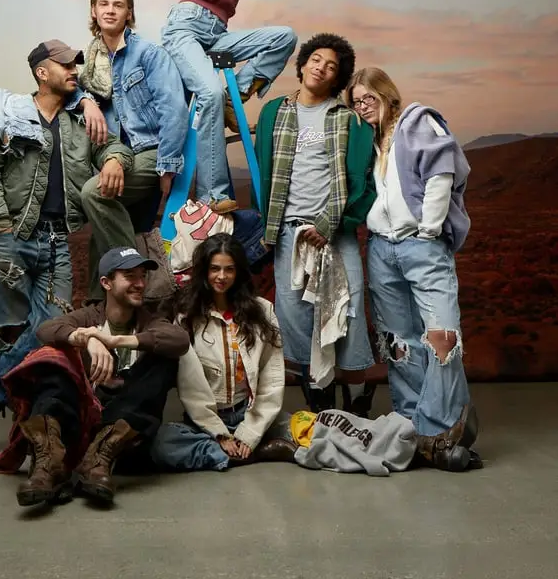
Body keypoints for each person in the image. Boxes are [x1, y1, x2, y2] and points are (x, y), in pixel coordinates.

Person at [0, 40, 138, 456]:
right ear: (42, 72)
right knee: (13, 330)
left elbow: (113, 146)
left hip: (57, 241)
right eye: (65, 65)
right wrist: (0, 224)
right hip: (13, 238)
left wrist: (114, 160)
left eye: (76, 64)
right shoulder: (6, 113)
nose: (74, 70)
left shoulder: (81, 119)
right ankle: (24, 424)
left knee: (54, 330)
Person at [0, 246, 190, 508]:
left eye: (143, 276)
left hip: (123, 431)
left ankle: (99, 460)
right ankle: (48, 465)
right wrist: (86, 338)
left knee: (164, 358)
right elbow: (46, 329)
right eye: (130, 276)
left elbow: (179, 340)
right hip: (79, 423)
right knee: (52, 357)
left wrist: (116, 340)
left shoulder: (148, 319)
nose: (140, 284)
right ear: (106, 283)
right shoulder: (88, 316)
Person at [346, 68, 480, 471]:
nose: (362, 106)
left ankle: (445, 430)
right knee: (398, 340)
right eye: (356, 101)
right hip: (381, 248)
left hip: (421, 245)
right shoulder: (371, 140)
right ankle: (412, 429)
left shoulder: (417, 120)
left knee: (441, 337)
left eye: (368, 98)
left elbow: (442, 172)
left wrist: (429, 229)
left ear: (387, 94)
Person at [145, 0, 297, 213]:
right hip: (185, 27)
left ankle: (234, 95)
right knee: (209, 93)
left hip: (218, 33)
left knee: (284, 36)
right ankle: (213, 194)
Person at [254, 33, 378, 416]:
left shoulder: (350, 120)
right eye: (316, 60)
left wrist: (330, 224)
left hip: (334, 233)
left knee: (349, 313)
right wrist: (269, 227)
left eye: (332, 66)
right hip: (289, 233)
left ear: (338, 78)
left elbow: (364, 182)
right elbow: (263, 172)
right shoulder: (273, 112)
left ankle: (356, 406)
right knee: (294, 318)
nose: (321, 68)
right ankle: (320, 405)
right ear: (303, 63)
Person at [75, 0, 189, 296]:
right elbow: (71, 91)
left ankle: (136, 279)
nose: (110, 10)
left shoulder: (149, 54)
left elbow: (174, 111)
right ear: (94, 11)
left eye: (118, 5)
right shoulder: (92, 63)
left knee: (95, 194)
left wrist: (166, 168)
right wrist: (86, 102)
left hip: (152, 151)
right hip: (117, 156)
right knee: (104, 225)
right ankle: (99, 305)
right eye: (104, 4)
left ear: (129, 13)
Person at [151, 234, 295, 471]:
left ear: (239, 272)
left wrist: (250, 433)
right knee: (162, 443)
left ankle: (237, 450)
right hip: (205, 421)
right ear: (204, 271)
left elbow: (272, 378)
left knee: (300, 430)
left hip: (250, 414)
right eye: (214, 269)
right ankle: (255, 453)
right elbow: (190, 386)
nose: (221, 276)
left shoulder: (262, 311)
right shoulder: (187, 316)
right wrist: (219, 434)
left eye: (229, 269)